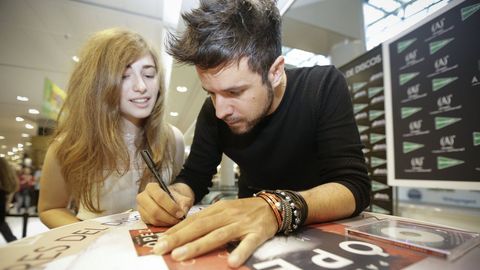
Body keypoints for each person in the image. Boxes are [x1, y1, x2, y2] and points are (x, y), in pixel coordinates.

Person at [136, 0, 370, 267]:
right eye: (211, 92)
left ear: (276, 71)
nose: (220, 110)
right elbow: (194, 176)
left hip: (323, 231)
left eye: (234, 92)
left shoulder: (322, 87)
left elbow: (354, 186)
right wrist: (176, 196)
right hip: (249, 234)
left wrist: (276, 207)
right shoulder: (213, 111)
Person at [38, 28, 185, 229]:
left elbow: (176, 196)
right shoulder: (68, 145)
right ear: (98, 83)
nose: (141, 86)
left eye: (149, 74)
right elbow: (50, 208)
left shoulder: (172, 140)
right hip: (95, 251)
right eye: (125, 76)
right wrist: (93, 238)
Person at [0, 157, 19, 242]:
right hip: (2, 207)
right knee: (3, 225)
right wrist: (7, 204)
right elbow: (11, 191)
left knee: (3, 225)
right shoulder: (7, 179)